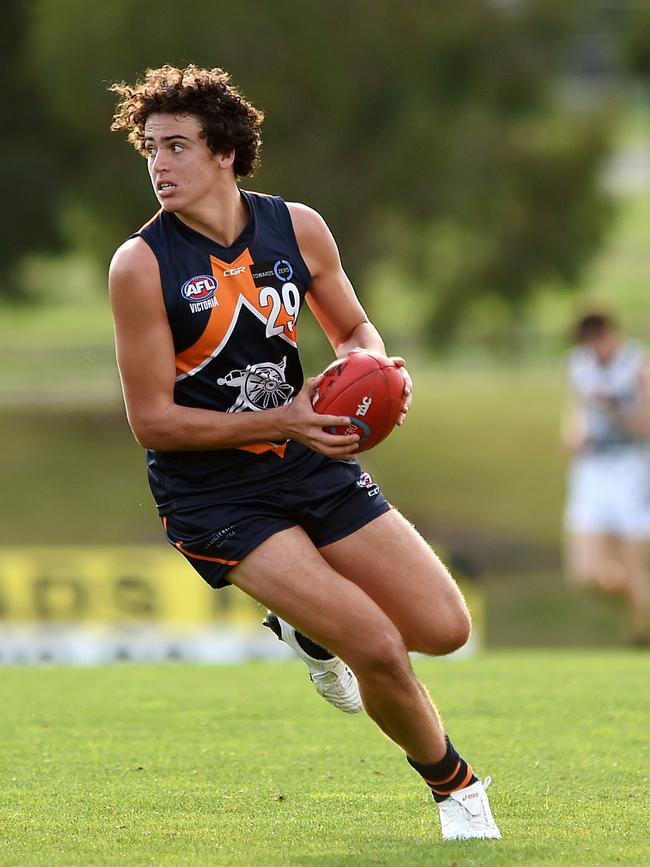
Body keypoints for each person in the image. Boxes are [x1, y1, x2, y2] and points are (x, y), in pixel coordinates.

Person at [108, 64, 500, 841]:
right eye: (150, 147)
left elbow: (354, 328)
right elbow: (152, 420)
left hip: (308, 461)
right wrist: (285, 418)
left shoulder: (297, 227)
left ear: (225, 151)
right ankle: (458, 792)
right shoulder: (141, 264)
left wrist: (378, 374)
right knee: (379, 646)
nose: (160, 164)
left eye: (178, 146)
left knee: (445, 628)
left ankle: (307, 630)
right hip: (213, 495)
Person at [562, 310, 650, 645]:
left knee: (632, 560)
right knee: (584, 574)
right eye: (588, 338)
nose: (595, 345)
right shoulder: (579, 367)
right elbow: (577, 414)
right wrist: (572, 435)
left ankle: (641, 635)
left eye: (600, 335)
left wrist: (615, 408)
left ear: (613, 333)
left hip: (631, 471)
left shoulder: (636, 366)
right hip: (591, 473)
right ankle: (635, 598)